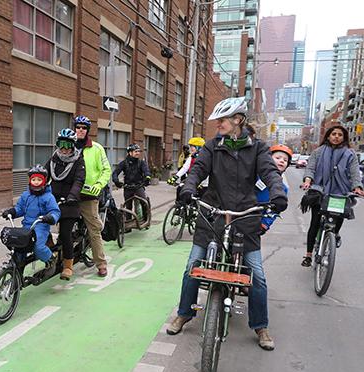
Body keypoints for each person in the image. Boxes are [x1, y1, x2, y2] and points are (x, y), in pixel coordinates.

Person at [166, 97, 287, 351]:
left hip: (246, 216)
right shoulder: (212, 147)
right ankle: (184, 312)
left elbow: (270, 173)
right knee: (193, 265)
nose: (217, 124)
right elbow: (198, 170)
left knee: (257, 275)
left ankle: (261, 326)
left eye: (221, 120)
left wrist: (278, 193)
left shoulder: (259, 149)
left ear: (238, 121)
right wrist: (189, 188)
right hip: (214, 213)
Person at [299, 125, 364, 267]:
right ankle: (308, 255)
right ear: (328, 136)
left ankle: (333, 235)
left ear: (344, 138)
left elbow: (354, 172)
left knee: (338, 218)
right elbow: (310, 168)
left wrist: (357, 187)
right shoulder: (318, 151)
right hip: (319, 190)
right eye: (333, 134)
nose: (336, 136)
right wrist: (307, 180)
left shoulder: (350, 154)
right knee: (315, 223)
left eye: (340, 135)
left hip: (339, 191)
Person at [1, 165, 61, 275]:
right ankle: (17, 271)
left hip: (41, 226)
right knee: (18, 245)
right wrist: (12, 212)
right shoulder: (26, 195)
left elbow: (55, 211)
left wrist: (50, 217)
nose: (36, 182)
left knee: (38, 247)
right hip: (27, 226)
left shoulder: (48, 197)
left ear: (44, 181)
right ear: (30, 180)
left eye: (39, 179)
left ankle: (51, 259)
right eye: (34, 179)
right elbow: (20, 208)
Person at [73, 115, 112, 277]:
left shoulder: (96, 148)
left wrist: (98, 185)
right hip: (71, 195)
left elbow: (106, 170)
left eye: (84, 128)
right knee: (63, 228)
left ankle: (101, 264)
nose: (81, 130)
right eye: (78, 127)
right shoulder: (68, 145)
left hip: (89, 196)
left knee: (94, 230)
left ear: (87, 130)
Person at [45, 129, 86, 280]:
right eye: (61, 144)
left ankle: (68, 266)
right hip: (53, 201)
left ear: (73, 145)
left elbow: (79, 180)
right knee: (40, 226)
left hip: (69, 203)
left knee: (65, 234)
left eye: (67, 144)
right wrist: (36, 184)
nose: (64, 148)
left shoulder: (79, 161)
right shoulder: (54, 158)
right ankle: (51, 252)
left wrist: (72, 195)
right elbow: (44, 174)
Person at [257, 144, 292, 234]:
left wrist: (265, 224)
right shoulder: (255, 176)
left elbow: (274, 211)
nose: (281, 161)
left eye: (285, 160)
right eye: (278, 158)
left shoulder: (283, 189)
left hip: (256, 220)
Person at [112, 143, 151, 213]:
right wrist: (116, 181)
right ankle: (128, 221)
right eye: (136, 151)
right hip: (128, 187)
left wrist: (147, 178)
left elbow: (146, 171)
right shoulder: (124, 163)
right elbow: (115, 173)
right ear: (130, 153)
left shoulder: (141, 163)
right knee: (128, 207)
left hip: (138, 187)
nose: (138, 153)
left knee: (144, 203)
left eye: (139, 151)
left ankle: (146, 220)